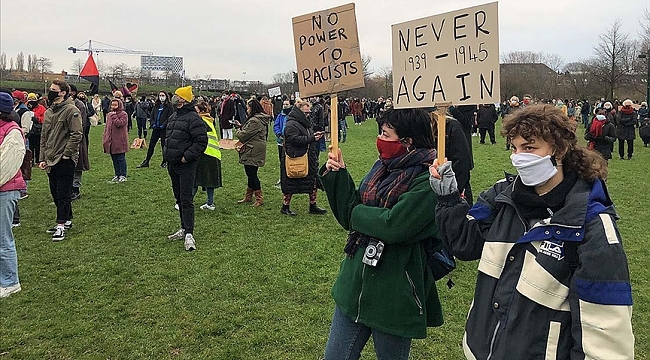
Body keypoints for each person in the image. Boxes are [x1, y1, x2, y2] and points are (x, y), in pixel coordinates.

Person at [429, 104, 634, 360]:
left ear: (559, 149)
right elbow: (464, 243)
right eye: (514, 148)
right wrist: (448, 198)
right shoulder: (501, 196)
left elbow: (605, 338)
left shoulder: (593, 227)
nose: (518, 157)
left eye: (529, 147)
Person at [320, 107, 444, 360]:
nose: (380, 139)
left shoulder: (430, 179)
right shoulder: (382, 167)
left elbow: (394, 226)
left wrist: (357, 215)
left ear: (408, 142)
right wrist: (339, 174)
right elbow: (348, 213)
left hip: (395, 293)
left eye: (386, 134)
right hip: (353, 285)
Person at [39, 80, 83, 242]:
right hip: (50, 158)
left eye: (54, 90)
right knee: (55, 192)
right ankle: (67, 218)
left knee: (64, 192)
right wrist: (42, 157)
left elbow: (77, 133)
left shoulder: (72, 110)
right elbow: (44, 136)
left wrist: (67, 154)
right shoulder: (49, 112)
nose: (51, 92)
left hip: (65, 158)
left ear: (63, 92)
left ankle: (60, 225)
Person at [164, 86, 207, 251]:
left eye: (176, 95)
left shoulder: (194, 119)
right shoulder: (174, 116)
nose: (173, 97)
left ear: (183, 99)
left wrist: (186, 157)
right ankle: (183, 227)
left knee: (186, 198)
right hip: (172, 164)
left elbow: (201, 142)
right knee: (178, 198)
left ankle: (189, 233)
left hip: (186, 165)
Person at [280, 99, 327, 216]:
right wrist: (311, 138)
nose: (308, 115)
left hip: (308, 158)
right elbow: (293, 139)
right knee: (290, 183)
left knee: (313, 182)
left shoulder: (304, 123)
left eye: (309, 112)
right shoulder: (291, 124)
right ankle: (285, 207)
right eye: (306, 113)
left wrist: (313, 136)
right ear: (299, 112)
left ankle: (313, 205)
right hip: (295, 158)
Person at [0, 92, 26, 298]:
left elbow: (6, 166)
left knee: (3, 238)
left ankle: (10, 282)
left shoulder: (12, 132)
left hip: (5, 189)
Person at [233, 98, 270, 207]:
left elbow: (243, 135)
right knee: (250, 172)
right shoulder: (257, 119)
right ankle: (249, 196)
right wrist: (241, 126)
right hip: (254, 148)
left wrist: (237, 130)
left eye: (248, 107)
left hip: (253, 149)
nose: (247, 109)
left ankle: (259, 198)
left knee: (252, 173)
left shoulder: (255, 120)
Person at [194, 101, 222, 210]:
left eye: (196, 111)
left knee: (195, 179)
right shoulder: (208, 119)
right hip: (213, 153)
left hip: (205, 153)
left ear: (200, 111)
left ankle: (186, 201)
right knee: (209, 180)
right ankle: (210, 203)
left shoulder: (201, 121)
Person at [137, 91, 173, 168]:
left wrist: (164, 124)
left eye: (163, 95)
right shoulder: (156, 106)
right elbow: (152, 115)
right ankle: (147, 161)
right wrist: (153, 124)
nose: (161, 97)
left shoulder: (169, 106)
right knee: (151, 145)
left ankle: (165, 161)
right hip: (156, 128)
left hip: (164, 129)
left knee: (164, 146)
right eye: (160, 95)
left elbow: (170, 117)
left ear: (166, 96)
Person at [68, 84, 90, 201]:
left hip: (76, 138)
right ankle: (67, 188)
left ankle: (75, 188)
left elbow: (81, 124)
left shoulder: (79, 105)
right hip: (64, 140)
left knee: (77, 164)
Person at [103, 98, 129, 183]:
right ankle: (117, 174)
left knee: (121, 158)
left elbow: (120, 124)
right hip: (111, 141)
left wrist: (114, 117)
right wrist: (105, 137)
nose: (113, 107)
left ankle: (123, 175)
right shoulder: (109, 114)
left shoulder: (123, 114)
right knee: (114, 159)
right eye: (112, 105)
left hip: (120, 141)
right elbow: (107, 127)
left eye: (115, 105)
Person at [273, 100, 291, 187]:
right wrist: (279, 134)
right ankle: (282, 177)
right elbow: (276, 125)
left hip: (289, 142)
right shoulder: (280, 115)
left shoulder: (292, 116)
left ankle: (289, 177)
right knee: (281, 160)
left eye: (287, 104)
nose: (285, 106)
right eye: (284, 104)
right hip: (280, 142)